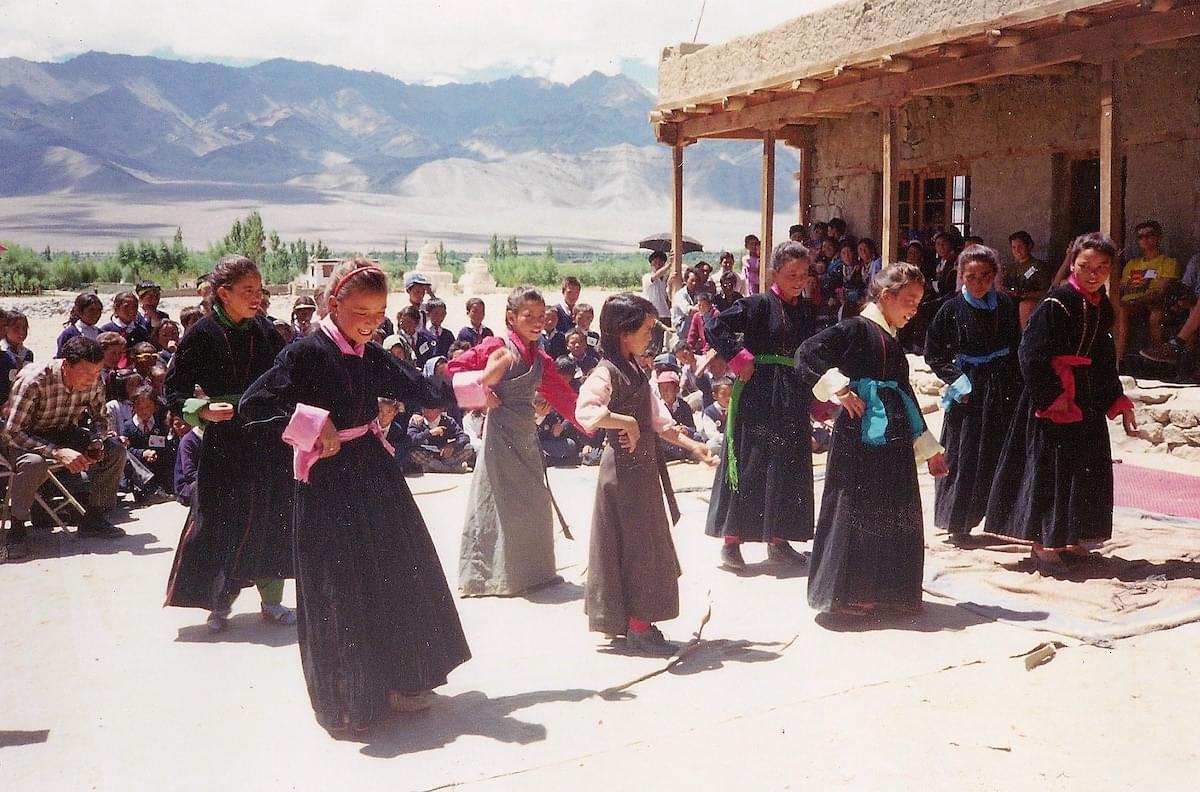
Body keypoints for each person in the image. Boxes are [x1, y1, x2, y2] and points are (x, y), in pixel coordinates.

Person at [239, 258, 470, 736]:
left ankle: (406, 678)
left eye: (379, 311)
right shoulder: (305, 352)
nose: (371, 321)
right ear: (334, 302)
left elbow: (421, 388)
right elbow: (253, 406)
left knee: (399, 573)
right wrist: (312, 422)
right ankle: (350, 700)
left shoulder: (370, 353)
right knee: (340, 586)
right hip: (327, 485)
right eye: (360, 310)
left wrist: (478, 383)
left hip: (373, 474)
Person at [797, 263, 949, 615]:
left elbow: (906, 394)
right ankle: (851, 595)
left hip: (893, 439)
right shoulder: (854, 328)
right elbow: (808, 353)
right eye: (909, 300)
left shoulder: (891, 340)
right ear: (886, 296)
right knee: (859, 510)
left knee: (892, 511)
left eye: (918, 302)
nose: (914, 309)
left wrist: (929, 451)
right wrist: (841, 390)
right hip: (859, 436)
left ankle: (888, 592)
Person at [985, 233, 1138, 564]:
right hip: (1053, 400)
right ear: (1073, 264)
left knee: (1083, 468)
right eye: (1085, 266)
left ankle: (1070, 537)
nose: (1093, 273)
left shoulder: (1100, 307)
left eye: (1102, 267)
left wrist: (1117, 400)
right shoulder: (1057, 302)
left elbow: (1100, 358)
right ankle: (1044, 542)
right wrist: (1053, 397)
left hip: (1085, 398)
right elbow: (1029, 353)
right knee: (1053, 468)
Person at [163, 255, 295, 633]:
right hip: (224, 442)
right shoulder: (200, 335)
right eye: (247, 291)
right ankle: (218, 603)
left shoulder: (265, 331)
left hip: (266, 438)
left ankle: (272, 601)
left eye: (259, 290)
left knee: (270, 514)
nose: (257, 298)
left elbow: (283, 378)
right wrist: (202, 410)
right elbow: (173, 390)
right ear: (223, 293)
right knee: (220, 519)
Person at [576, 293, 713, 655]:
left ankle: (639, 622)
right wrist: (623, 422)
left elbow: (659, 421)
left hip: (642, 473)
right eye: (647, 328)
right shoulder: (605, 372)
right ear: (624, 332)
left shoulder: (637, 369)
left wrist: (693, 446)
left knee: (647, 546)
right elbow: (586, 412)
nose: (650, 335)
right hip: (621, 474)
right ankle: (636, 626)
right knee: (636, 547)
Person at [447, 285, 581, 597]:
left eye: (541, 316)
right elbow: (454, 369)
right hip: (499, 437)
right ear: (511, 317)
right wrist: (484, 394)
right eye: (528, 316)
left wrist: (597, 422)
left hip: (526, 436)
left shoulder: (541, 358)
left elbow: (565, 398)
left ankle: (534, 574)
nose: (537, 322)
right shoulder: (498, 346)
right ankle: (491, 578)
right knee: (499, 505)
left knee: (534, 501)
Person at [704, 242, 819, 570]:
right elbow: (715, 326)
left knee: (787, 463)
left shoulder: (806, 309)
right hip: (759, 394)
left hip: (792, 394)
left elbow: (808, 352)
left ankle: (778, 540)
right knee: (752, 461)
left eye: (803, 274)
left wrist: (816, 392)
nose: (798, 280)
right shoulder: (756, 304)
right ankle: (732, 543)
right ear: (774, 273)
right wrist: (739, 357)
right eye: (790, 274)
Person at [0, 337, 128, 562]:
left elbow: (101, 420)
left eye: (96, 373)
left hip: (62, 430)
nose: (92, 380)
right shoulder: (34, 380)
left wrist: (97, 441)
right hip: (23, 439)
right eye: (86, 373)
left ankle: (94, 517)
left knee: (115, 450)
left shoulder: (94, 381)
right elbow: (13, 432)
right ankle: (17, 529)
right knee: (33, 463)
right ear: (66, 365)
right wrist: (57, 452)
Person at [924, 245, 1022, 539]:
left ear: (994, 276)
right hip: (968, 389)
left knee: (997, 451)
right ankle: (958, 524)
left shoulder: (1005, 304)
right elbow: (934, 353)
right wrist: (957, 380)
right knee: (964, 454)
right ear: (961, 277)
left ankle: (1000, 521)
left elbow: (1015, 345)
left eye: (985, 276)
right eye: (972, 277)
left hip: (1001, 386)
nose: (979, 282)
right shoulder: (951, 309)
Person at [1115, 220, 1180, 361]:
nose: (1144, 239)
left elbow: (1161, 291)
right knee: (1119, 308)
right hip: (1129, 305)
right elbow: (1122, 287)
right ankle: (1117, 360)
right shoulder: (1132, 264)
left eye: (1149, 234)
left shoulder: (1168, 262)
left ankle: (1121, 360)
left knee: (1133, 310)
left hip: (1153, 304)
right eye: (1140, 237)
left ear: (1158, 237)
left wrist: (1135, 299)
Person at [1141, 250, 1200, 365]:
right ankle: (1176, 365)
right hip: (1194, 304)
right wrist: (1183, 299)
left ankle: (1176, 345)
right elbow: (1185, 287)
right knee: (1189, 309)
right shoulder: (1197, 260)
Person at [122, 387, 173, 500]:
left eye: (148, 407)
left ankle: (162, 485)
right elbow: (127, 449)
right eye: (140, 408)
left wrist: (155, 453)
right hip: (138, 466)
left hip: (157, 464)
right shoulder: (128, 427)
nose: (144, 411)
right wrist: (143, 453)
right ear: (134, 407)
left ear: (155, 407)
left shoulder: (160, 425)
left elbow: (164, 444)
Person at [999, 231, 1051, 330]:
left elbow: (1046, 291)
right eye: (1014, 247)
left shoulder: (1038, 266)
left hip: (1030, 303)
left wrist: (1023, 295)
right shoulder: (1011, 268)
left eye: (1020, 247)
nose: (1017, 250)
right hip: (1012, 301)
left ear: (1029, 246)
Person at [407, 405, 474, 473]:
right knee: (413, 452)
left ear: (439, 411)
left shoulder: (447, 421)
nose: (427, 413)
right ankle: (448, 469)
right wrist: (429, 433)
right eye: (425, 410)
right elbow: (411, 439)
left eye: (432, 410)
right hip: (428, 453)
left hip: (445, 454)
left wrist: (452, 446)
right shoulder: (417, 421)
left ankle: (433, 468)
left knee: (468, 448)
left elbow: (464, 437)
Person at [654, 370, 702, 463]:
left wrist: (686, 430)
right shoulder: (658, 407)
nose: (665, 392)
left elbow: (692, 428)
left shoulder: (684, 406)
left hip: (681, 440)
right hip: (667, 442)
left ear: (676, 389)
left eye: (668, 388)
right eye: (662, 389)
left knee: (697, 437)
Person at [172, 415, 201, 505]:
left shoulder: (210, 437)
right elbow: (189, 472)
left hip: (202, 478)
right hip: (187, 486)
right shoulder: (188, 441)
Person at [418, 298, 455, 364]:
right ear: (428, 314)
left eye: (442, 313)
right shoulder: (421, 335)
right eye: (436, 313)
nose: (439, 317)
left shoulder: (448, 334)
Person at [670, 267, 701, 336]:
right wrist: (704, 308)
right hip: (681, 327)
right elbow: (688, 311)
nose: (694, 283)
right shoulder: (680, 295)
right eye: (692, 280)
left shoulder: (697, 294)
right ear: (686, 280)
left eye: (696, 281)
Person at [642, 250, 673, 319]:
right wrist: (669, 265)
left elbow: (668, 297)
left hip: (666, 314)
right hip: (651, 315)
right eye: (655, 263)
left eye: (660, 263)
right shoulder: (647, 277)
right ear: (651, 264)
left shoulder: (666, 279)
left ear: (664, 264)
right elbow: (655, 276)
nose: (658, 265)